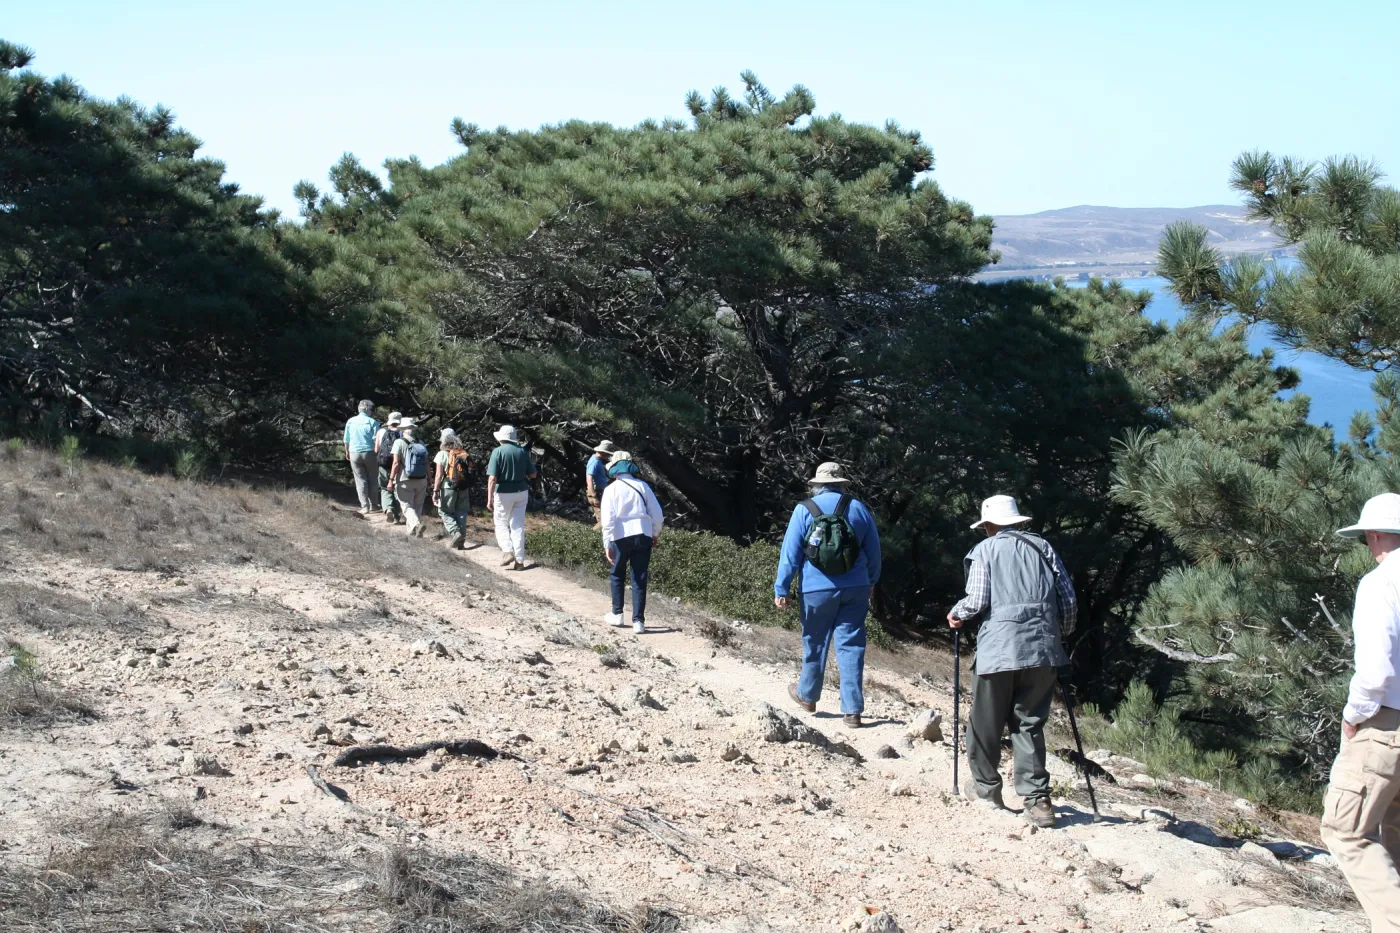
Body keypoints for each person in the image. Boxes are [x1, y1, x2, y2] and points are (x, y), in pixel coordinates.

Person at [946, 494, 1076, 829]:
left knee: (985, 722)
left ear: (988, 525)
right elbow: (1068, 600)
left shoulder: (984, 550)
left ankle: (987, 791)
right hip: (1043, 650)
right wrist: (1058, 633)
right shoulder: (1043, 548)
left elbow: (976, 600)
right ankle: (1038, 800)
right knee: (1029, 723)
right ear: (1018, 521)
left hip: (998, 652)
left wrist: (956, 614)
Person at [1322, 493, 1400, 930]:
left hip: (1386, 725)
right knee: (1396, 835)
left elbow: (1376, 669)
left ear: (1372, 535)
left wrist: (1354, 715)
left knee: (1346, 832)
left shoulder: (1379, 582)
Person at [774, 462, 882, 730]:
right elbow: (874, 551)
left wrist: (782, 588)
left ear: (816, 485)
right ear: (842, 483)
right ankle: (852, 710)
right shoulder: (858, 508)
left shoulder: (804, 509)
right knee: (851, 645)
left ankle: (807, 696)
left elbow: (790, 553)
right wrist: (871, 581)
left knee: (815, 642)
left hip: (815, 588)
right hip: (855, 585)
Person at [599, 452, 664, 635]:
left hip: (620, 535)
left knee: (617, 573)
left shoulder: (611, 489)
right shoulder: (643, 486)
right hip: (643, 533)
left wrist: (607, 542)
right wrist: (654, 533)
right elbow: (657, 514)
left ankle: (617, 614)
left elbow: (608, 520)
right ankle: (639, 622)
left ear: (615, 468)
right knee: (639, 578)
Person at [486, 425, 536, 570]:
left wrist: (489, 498)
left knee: (501, 522)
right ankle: (519, 561)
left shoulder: (498, 452)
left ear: (501, 438)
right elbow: (533, 474)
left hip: (503, 491)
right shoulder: (522, 452)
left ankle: (507, 551)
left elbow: (492, 478)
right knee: (518, 525)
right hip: (521, 491)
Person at [388, 420, 430, 537]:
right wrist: (429, 479)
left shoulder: (398, 443)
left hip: (404, 480)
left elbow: (396, 463)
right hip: (421, 479)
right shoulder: (421, 443)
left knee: (406, 506)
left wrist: (391, 480)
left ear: (402, 430)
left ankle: (416, 524)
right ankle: (412, 533)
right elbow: (427, 463)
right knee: (417, 506)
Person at [434, 431, 471, 550]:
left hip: (448, 486)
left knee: (444, 511)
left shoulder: (441, 454)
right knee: (461, 512)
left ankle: (455, 533)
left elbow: (439, 475)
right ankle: (461, 540)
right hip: (464, 486)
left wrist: (435, 490)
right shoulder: (462, 452)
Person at [343, 399, 380, 514]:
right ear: (367, 409)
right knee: (373, 478)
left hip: (354, 452)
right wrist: (376, 452)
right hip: (369, 452)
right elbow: (377, 440)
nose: (372, 412)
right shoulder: (373, 422)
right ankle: (374, 504)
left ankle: (364, 506)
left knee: (360, 480)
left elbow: (346, 439)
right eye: (371, 410)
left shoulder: (350, 421)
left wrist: (347, 452)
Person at [374, 412, 404, 525]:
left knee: (384, 488)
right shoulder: (403, 432)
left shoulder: (381, 431)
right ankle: (396, 516)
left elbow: (376, 450)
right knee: (397, 489)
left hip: (384, 464)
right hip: (398, 465)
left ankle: (388, 508)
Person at [585, 440, 615, 527]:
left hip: (599, 491)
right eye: (608, 454)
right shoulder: (594, 462)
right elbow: (589, 478)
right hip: (596, 492)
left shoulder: (597, 461)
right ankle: (593, 535)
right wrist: (593, 495)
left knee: (604, 517)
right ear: (603, 453)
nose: (608, 456)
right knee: (603, 520)